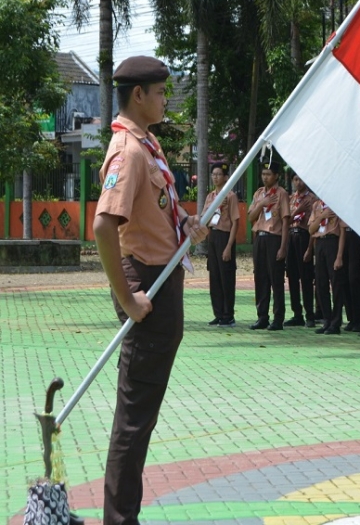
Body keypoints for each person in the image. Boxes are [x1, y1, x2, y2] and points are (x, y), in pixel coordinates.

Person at [93, 56, 208, 525]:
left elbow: (154, 209)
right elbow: (104, 226)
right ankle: (120, 519)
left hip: (161, 278)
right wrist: (127, 298)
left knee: (141, 414)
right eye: (160, 92)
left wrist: (186, 223)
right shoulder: (129, 151)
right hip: (146, 284)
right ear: (138, 95)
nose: (165, 99)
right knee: (135, 417)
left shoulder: (148, 144)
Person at [248, 161, 290, 330]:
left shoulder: (282, 194)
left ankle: (278, 318)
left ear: (276, 176)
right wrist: (261, 204)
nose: (265, 177)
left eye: (269, 174)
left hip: (274, 238)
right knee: (260, 278)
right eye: (263, 174)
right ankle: (262, 316)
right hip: (260, 237)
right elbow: (251, 217)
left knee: (276, 279)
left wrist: (283, 247)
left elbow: (285, 221)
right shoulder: (259, 193)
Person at [203, 163, 240, 327]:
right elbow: (204, 218)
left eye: (219, 174)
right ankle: (218, 313)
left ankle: (228, 314)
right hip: (213, 236)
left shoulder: (230, 196)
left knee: (226, 277)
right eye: (213, 174)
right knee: (215, 276)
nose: (215, 177)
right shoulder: (210, 197)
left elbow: (235, 222)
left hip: (225, 237)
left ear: (226, 177)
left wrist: (229, 246)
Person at [307, 197, 350, 334]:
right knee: (320, 284)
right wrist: (322, 216)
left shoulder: (337, 204)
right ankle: (327, 319)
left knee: (336, 283)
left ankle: (336, 322)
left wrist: (339, 256)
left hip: (333, 242)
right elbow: (311, 230)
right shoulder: (316, 206)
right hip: (320, 242)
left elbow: (342, 231)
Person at [285, 174, 317, 327]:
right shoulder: (291, 199)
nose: (298, 182)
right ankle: (297, 313)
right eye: (296, 179)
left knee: (306, 277)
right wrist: (298, 210)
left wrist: (310, 248)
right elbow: (286, 222)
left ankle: (310, 314)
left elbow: (313, 226)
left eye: (301, 179)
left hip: (304, 236)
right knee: (292, 276)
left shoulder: (312, 200)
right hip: (291, 236)